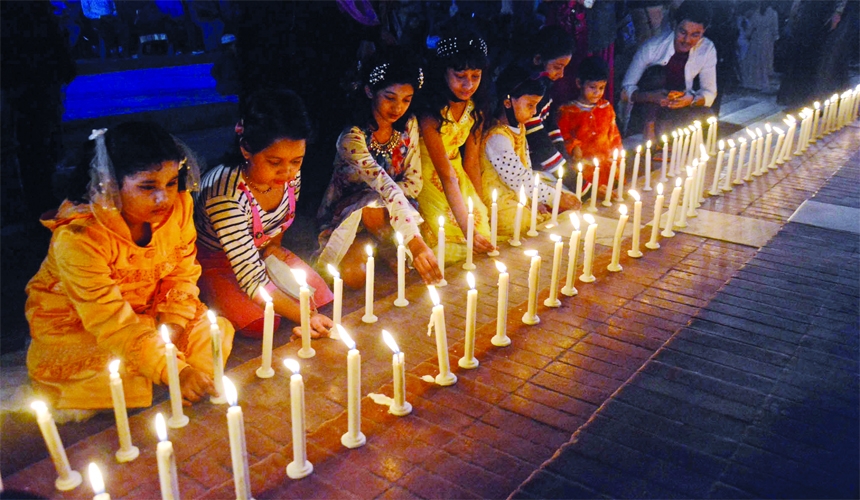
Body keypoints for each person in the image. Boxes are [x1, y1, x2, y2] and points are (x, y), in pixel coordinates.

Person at [25, 122, 233, 410]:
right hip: (86, 323)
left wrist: (171, 325)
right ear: (109, 184)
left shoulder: (179, 207)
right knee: (109, 373)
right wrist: (174, 369)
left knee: (213, 332)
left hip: (152, 307)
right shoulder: (78, 238)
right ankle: (175, 378)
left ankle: (181, 378)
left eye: (171, 182)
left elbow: (182, 272)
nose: (164, 198)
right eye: (147, 186)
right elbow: (109, 320)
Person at [194, 89, 333, 339]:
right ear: (246, 149)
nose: (288, 172)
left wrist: (271, 250)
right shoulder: (224, 195)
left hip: (262, 250)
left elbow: (279, 223)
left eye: (296, 161)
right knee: (261, 323)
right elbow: (251, 276)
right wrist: (306, 317)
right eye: (274, 162)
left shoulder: (290, 176)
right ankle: (212, 292)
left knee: (320, 298)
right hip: (218, 261)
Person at [316, 52, 443, 289]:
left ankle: (385, 242)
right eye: (390, 97)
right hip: (349, 214)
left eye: (406, 100)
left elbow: (414, 183)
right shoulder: (352, 137)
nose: (398, 108)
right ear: (369, 91)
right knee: (354, 277)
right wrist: (413, 243)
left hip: (391, 211)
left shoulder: (409, 126)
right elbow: (384, 185)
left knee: (377, 207)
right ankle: (382, 244)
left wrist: (382, 200)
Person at [415, 33, 495, 265]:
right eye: (460, 76)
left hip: (458, 178)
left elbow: (471, 161)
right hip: (430, 180)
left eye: (476, 76)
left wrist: (481, 208)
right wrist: (468, 229)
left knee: (484, 236)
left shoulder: (475, 108)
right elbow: (444, 174)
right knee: (445, 247)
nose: (468, 85)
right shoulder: (431, 114)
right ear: (442, 72)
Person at [481, 64, 581, 240]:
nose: (534, 112)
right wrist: (553, 198)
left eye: (536, 106)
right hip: (501, 202)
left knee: (560, 197)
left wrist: (536, 200)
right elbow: (519, 179)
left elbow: (526, 168)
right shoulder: (497, 138)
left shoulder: (519, 128)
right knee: (523, 220)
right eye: (530, 105)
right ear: (507, 102)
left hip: (518, 194)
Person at [621, 1, 717, 142]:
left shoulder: (707, 49)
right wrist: (651, 97)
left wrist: (690, 100)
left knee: (707, 115)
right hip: (647, 110)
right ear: (674, 25)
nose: (686, 40)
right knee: (657, 74)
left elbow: (709, 93)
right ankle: (650, 134)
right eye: (682, 32)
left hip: (677, 110)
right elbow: (625, 91)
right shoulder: (652, 47)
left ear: (704, 31)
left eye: (695, 35)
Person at [557, 56, 623, 195]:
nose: (597, 92)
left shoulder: (606, 108)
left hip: (605, 168)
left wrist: (618, 163)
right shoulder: (568, 111)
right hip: (583, 170)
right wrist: (574, 146)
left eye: (601, 87)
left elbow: (614, 137)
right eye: (592, 87)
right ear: (579, 83)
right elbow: (562, 136)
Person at [521, 26, 574, 178]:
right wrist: (574, 181)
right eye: (558, 67)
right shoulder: (526, 91)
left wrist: (566, 164)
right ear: (538, 59)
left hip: (542, 163)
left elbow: (550, 124)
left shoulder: (544, 84)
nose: (562, 75)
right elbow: (537, 139)